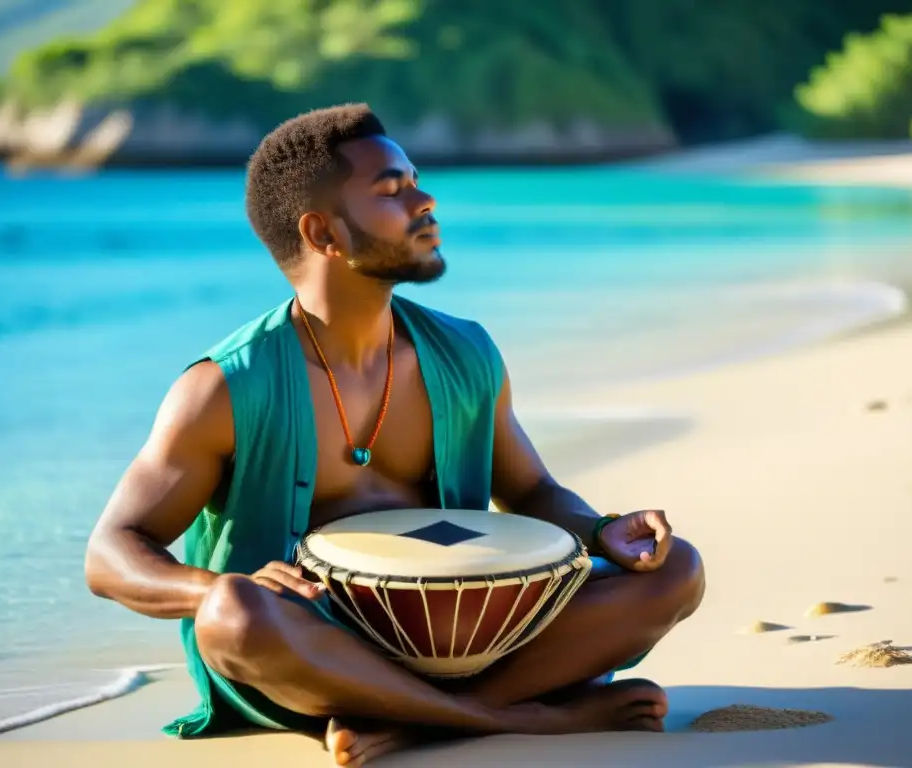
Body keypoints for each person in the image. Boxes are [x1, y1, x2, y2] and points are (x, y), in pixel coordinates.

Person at [84, 103, 705, 767]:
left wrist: (602, 529)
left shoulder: (465, 353)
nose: (425, 197)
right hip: (309, 656)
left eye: (414, 178)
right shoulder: (227, 388)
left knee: (676, 569)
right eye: (391, 189)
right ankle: (515, 716)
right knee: (231, 615)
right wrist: (213, 588)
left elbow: (532, 490)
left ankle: (427, 721)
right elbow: (110, 553)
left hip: (479, 639)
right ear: (324, 233)